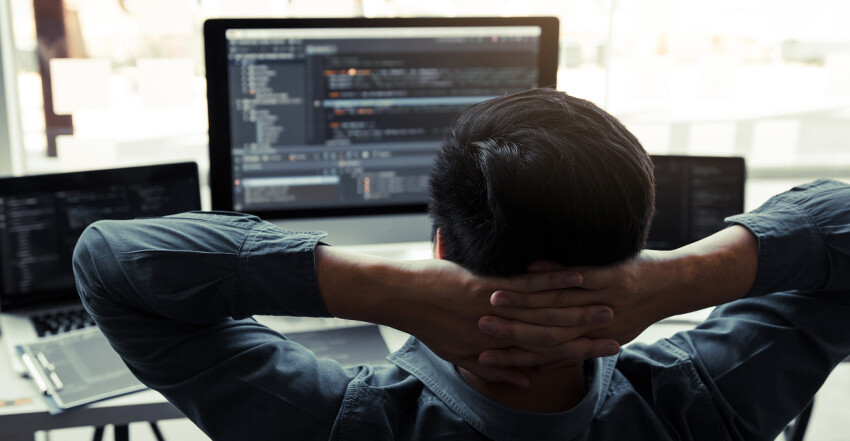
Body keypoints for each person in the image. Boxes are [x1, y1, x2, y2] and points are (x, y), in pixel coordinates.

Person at [72, 88, 850, 440]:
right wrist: (676, 279)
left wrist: (383, 291)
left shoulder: (340, 424)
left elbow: (112, 262)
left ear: (439, 246)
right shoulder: (706, 403)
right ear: (633, 245)